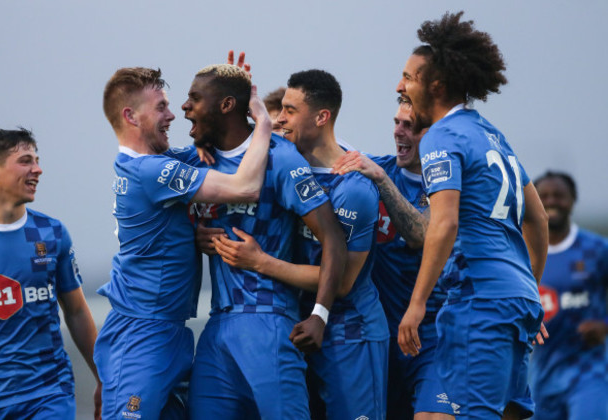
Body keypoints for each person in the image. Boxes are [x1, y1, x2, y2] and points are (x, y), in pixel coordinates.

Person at [94, 66, 272, 419]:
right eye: (160, 106)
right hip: (142, 336)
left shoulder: (157, 163)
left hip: (167, 333)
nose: (172, 114)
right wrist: (263, 122)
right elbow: (245, 186)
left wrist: (226, 101)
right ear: (131, 115)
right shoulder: (152, 171)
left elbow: (225, 148)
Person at [395, 11, 549, 420]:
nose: (400, 86)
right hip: (515, 299)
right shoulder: (492, 134)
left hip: (479, 300)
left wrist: (417, 304)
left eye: (409, 77)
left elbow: (444, 224)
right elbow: (538, 219)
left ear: (436, 85)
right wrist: (527, 289)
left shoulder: (442, 137)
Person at [212, 69, 389, 419]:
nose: (281, 119)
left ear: (322, 117)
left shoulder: (352, 188)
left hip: (351, 333)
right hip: (300, 328)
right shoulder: (288, 171)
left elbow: (341, 282)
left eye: (290, 111)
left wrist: (261, 262)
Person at [180, 64, 347, 419]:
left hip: (268, 321)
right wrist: (193, 237)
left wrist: (320, 313)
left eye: (195, 98)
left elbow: (333, 237)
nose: (185, 106)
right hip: (217, 329)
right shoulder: (196, 162)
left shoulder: (280, 157)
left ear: (225, 105)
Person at [0, 128, 101, 419]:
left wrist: (104, 377)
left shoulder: (50, 233)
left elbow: (75, 312)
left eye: (36, 159)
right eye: (25, 160)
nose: (38, 169)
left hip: (48, 394)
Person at [332, 98, 451, 420]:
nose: (399, 132)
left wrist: (382, 181)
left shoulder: (449, 188)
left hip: (432, 338)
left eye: (410, 126)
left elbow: (423, 235)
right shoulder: (372, 167)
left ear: (436, 134)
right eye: (397, 122)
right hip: (378, 337)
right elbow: (317, 145)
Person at [530, 171, 608, 420]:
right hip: (539, 377)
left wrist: (605, 325)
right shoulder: (522, 254)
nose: (552, 201)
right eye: (544, 196)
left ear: (573, 200)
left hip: (588, 372)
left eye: (559, 196)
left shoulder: (596, 249)